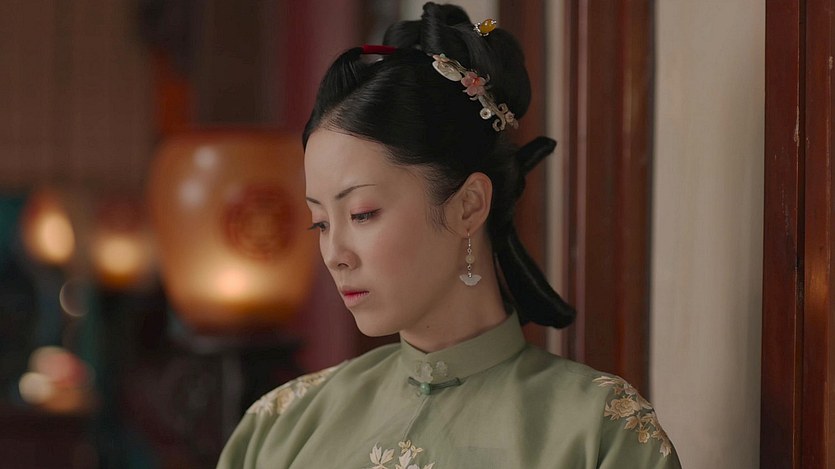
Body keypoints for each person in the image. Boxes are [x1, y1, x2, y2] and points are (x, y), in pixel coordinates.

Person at [217, 3, 681, 468]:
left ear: (469, 205)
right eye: (320, 223)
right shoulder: (282, 425)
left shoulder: (598, 429)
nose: (334, 254)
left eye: (362, 214)